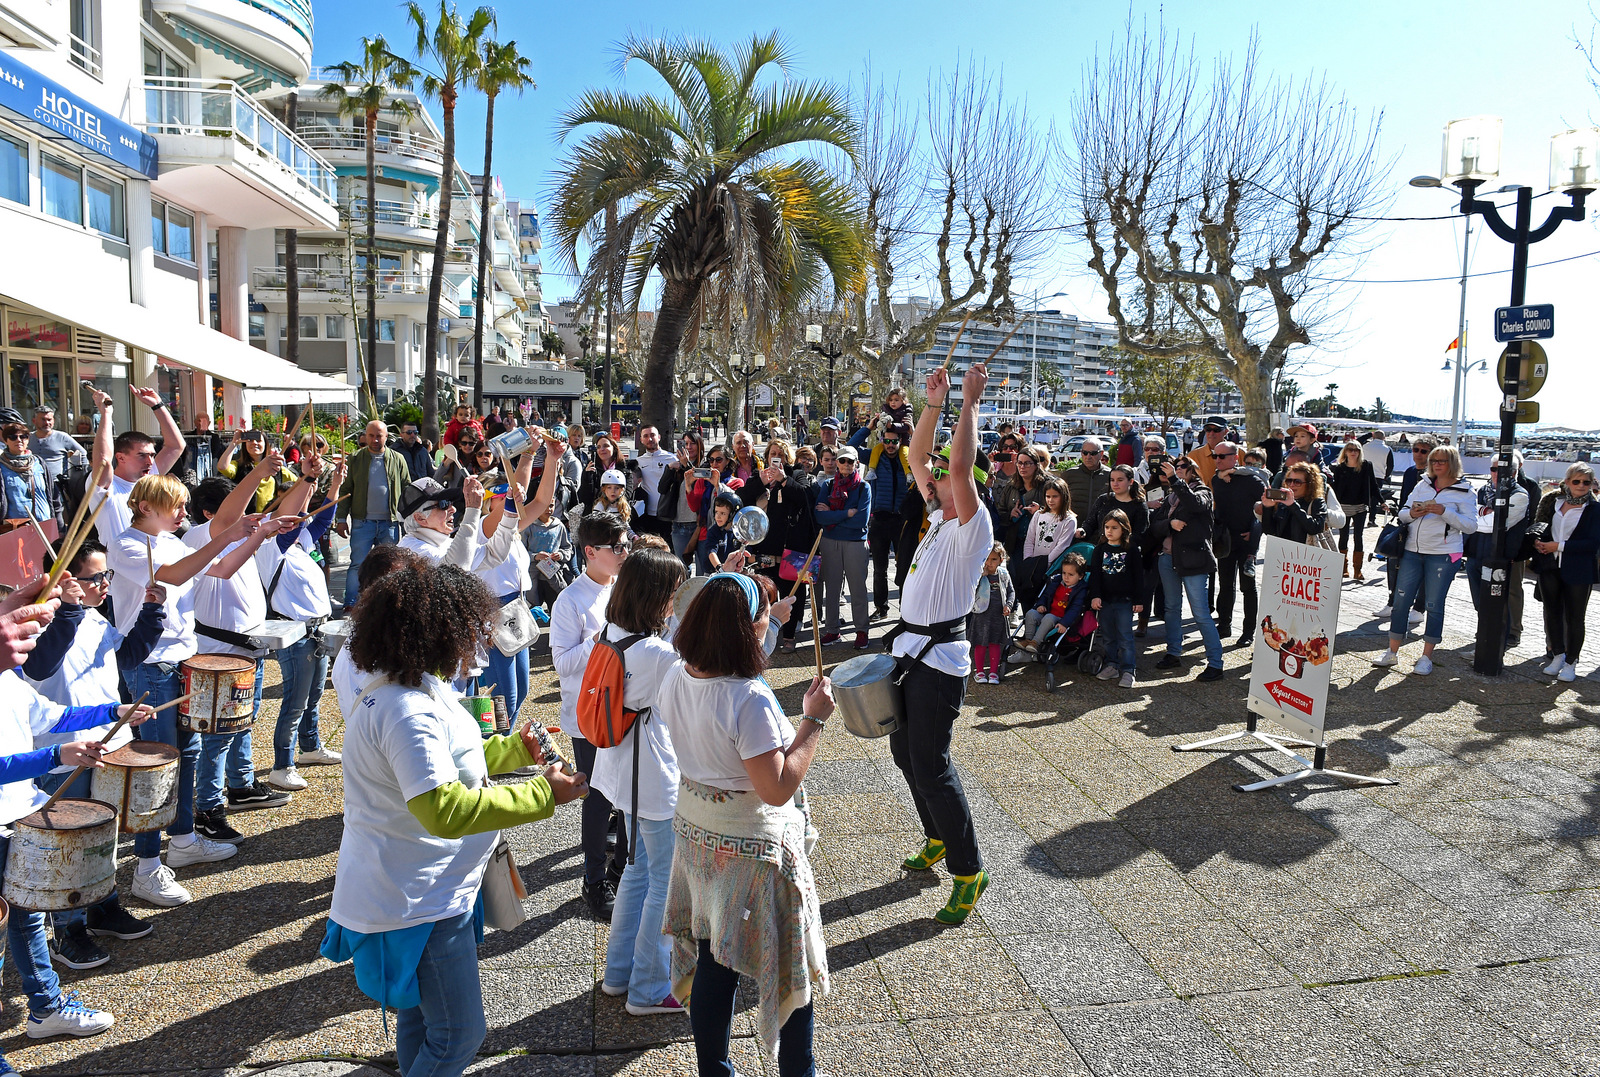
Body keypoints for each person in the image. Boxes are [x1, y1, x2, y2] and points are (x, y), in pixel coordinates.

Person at [321, 561, 587, 1077]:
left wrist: (515, 749)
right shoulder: (405, 710)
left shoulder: (418, 688)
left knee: (423, 1023)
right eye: (470, 634)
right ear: (437, 631)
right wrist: (542, 794)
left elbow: (455, 759)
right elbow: (442, 808)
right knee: (459, 1035)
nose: (478, 648)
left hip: (435, 887)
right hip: (418, 898)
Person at [658, 574, 834, 1075]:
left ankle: (713, 1068)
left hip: (697, 836)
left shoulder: (677, 675)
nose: (767, 624)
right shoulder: (747, 698)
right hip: (750, 852)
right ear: (745, 628)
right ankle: (798, 1070)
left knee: (716, 955)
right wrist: (813, 721)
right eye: (763, 616)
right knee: (786, 962)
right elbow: (776, 788)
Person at [104, 475, 259, 905]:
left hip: (183, 659)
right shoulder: (128, 543)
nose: (182, 513)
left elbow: (222, 568)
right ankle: (147, 867)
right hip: (151, 666)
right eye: (176, 505)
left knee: (186, 754)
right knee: (156, 765)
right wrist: (228, 533)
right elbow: (172, 577)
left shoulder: (172, 540)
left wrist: (256, 533)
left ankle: (185, 839)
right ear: (147, 504)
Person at [884, 361, 994, 926]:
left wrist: (970, 401)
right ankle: (935, 835)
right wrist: (933, 403)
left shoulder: (974, 525)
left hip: (941, 659)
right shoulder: (938, 517)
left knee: (932, 765)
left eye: (949, 482)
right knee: (905, 754)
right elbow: (917, 456)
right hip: (909, 651)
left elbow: (956, 463)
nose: (938, 482)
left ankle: (969, 869)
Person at [22, 542, 162, 969]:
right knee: (69, 844)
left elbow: (123, 658)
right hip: (63, 751)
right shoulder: (43, 618)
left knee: (103, 835)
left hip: (105, 742)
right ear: (66, 580)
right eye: (94, 578)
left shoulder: (96, 616)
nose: (104, 584)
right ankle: (67, 930)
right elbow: (40, 668)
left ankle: (102, 905)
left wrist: (152, 615)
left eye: (106, 577)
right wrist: (66, 610)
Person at [0, 673, 154, 1050]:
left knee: (26, 918)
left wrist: (112, 710)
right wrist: (54, 756)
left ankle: (47, 1008)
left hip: (18, 818)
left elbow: (54, 717)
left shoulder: (8, 678)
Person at [594, 547, 688, 1016]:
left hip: (620, 770)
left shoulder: (612, 633)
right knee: (663, 884)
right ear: (656, 596)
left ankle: (619, 975)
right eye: (673, 590)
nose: (676, 598)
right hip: (650, 774)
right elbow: (688, 697)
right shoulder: (656, 653)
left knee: (635, 868)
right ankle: (649, 988)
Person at [185, 467, 298, 841]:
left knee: (241, 724)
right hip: (218, 654)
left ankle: (241, 785)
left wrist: (308, 481)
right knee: (217, 737)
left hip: (247, 647)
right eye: (238, 508)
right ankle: (208, 809)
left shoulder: (242, 538)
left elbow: (289, 517)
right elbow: (231, 518)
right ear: (209, 515)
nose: (248, 516)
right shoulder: (199, 537)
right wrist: (261, 471)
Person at [550, 513, 633, 917]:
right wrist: (603, 638)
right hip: (588, 716)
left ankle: (621, 866)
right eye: (616, 547)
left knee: (629, 793)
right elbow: (562, 663)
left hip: (626, 708)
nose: (623, 554)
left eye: (625, 546)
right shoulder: (571, 600)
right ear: (590, 552)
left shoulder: (622, 587)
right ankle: (593, 879)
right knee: (598, 797)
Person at [258, 455, 346, 792]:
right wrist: (307, 481)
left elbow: (322, 523)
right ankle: (282, 765)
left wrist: (335, 485)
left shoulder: (298, 543)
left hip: (318, 629)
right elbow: (288, 522)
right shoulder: (271, 547)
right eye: (295, 512)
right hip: (295, 632)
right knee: (295, 699)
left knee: (313, 696)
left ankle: (310, 748)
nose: (300, 517)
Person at [1372, 445, 1478, 676]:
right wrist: (1412, 514)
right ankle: (1391, 652)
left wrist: (1443, 511)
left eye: (1442, 461)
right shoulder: (1423, 484)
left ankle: (1426, 656)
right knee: (1400, 600)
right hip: (1412, 550)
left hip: (1444, 553)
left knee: (1433, 604)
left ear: (1453, 463)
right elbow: (1403, 513)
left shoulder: (1465, 491)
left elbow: (1471, 525)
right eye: (1434, 460)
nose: (1437, 464)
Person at [1149, 455, 1224, 681]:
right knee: (1171, 608)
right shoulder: (1171, 496)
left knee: (1200, 613)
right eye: (1174, 467)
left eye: (1182, 467)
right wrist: (1169, 524)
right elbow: (1155, 526)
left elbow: (1195, 504)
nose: (1177, 470)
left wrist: (1174, 478)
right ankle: (1173, 652)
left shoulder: (1202, 492)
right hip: (1168, 558)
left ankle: (1216, 663)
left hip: (1193, 560)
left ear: (1192, 470)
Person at [1530, 462, 1600, 682]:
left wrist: (1557, 546)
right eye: (1576, 481)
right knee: (1552, 612)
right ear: (1567, 482)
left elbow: (1593, 543)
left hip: (1578, 569)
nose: (1581, 485)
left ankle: (1571, 661)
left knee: (1575, 617)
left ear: (1591, 485)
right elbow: (1541, 526)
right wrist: (1539, 543)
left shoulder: (1595, 509)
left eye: (1586, 482)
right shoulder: (1554, 502)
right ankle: (1558, 655)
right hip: (1550, 565)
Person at [89, 386, 185, 544]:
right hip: (122, 565)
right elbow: (103, 461)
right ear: (120, 457)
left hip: (155, 562)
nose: (149, 461)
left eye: (152, 455)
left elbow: (176, 446)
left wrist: (157, 405)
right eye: (142, 455)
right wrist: (106, 413)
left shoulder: (149, 478)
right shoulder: (107, 487)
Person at [334, 420, 411, 610]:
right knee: (357, 564)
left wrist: (408, 520)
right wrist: (341, 519)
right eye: (371, 435)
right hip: (362, 522)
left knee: (389, 566)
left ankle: (387, 604)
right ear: (365, 436)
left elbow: (408, 488)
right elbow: (346, 490)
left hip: (390, 523)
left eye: (379, 436)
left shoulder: (397, 459)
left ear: (386, 437)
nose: (375, 439)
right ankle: (351, 602)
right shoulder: (355, 459)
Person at [754, 443, 818, 653]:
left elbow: (805, 497)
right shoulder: (761, 475)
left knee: (792, 592)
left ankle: (789, 635)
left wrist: (783, 479)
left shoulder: (796, 474)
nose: (776, 457)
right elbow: (745, 499)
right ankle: (762, 631)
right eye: (773, 454)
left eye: (781, 454)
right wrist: (761, 483)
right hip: (765, 545)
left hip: (791, 548)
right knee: (764, 593)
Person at [1464, 453, 1533, 647]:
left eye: (1500, 470)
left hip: (1499, 555)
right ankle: (1485, 635)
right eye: (1493, 469)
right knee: (1479, 600)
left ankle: (1499, 642)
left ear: (1512, 472)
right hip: (1476, 551)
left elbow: (1496, 524)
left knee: (1498, 601)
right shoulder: (1482, 491)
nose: (1495, 473)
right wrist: (1483, 514)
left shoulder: (1519, 494)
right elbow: (1470, 519)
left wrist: (1480, 514)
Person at [815, 443, 872, 650]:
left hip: (855, 543)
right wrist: (846, 514)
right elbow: (819, 516)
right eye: (842, 460)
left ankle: (862, 631)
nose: (846, 465)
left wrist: (832, 514)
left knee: (858, 588)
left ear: (857, 463)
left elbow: (861, 520)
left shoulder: (864, 487)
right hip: (830, 542)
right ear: (837, 463)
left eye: (850, 461)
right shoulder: (828, 486)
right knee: (831, 588)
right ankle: (832, 630)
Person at [1210, 443, 1266, 646]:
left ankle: (1248, 631)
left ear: (1235, 457)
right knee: (1225, 585)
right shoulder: (1217, 479)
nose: (1218, 460)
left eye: (1222, 456)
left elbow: (1265, 509)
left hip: (1246, 541)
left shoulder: (1252, 480)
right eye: (1215, 456)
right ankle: (1224, 625)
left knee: (1248, 587)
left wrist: (1254, 532)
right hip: (1225, 539)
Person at [1378, 437, 1436, 626]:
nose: (1418, 454)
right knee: (1393, 560)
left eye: (1423, 451)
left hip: (1428, 528)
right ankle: (1392, 601)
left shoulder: (1435, 475)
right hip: (1407, 523)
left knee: (1423, 568)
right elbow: (1405, 499)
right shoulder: (1410, 472)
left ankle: (1419, 607)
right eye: (1415, 449)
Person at [1087, 509, 1144, 688]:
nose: (1109, 531)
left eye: (1114, 527)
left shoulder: (1131, 550)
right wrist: (1095, 596)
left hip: (1125, 601)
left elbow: (1138, 577)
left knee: (1125, 636)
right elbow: (1095, 575)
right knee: (1108, 636)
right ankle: (1112, 665)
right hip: (1105, 601)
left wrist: (1138, 600)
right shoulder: (1099, 550)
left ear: (1124, 529)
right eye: (1106, 527)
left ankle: (1128, 670)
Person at [864, 425, 910, 620]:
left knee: (905, 567)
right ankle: (881, 607)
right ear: (882, 441)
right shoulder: (875, 457)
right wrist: (868, 428)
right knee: (879, 569)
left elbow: (925, 448)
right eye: (887, 441)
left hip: (901, 519)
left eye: (895, 442)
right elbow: (850, 445)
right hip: (879, 518)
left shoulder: (907, 458)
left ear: (900, 442)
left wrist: (912, 430)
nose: (891, 445)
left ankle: (905, 609)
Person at [1018, 476, 1076, 606]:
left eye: (1055, 496)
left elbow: (1062, 546)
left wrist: (1046, 564)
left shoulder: (1069, 520)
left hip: (1051, 568)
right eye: (1048, 496)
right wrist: (1028, 560)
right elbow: (1030, 539)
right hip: (1032, 564)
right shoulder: (1039, 514)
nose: (1050, 500)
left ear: (1063, 496)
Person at [1330, 441, 1381, 580]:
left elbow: (1373, 485)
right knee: (1343, 536)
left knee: (1358, 536)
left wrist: (1382, 502)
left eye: (1356, 450)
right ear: (1345, 452)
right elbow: (1334, 488)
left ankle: (1357, 569)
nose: (1353, 452)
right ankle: (1343, 568)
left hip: (1360, 507)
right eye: (1350, 449)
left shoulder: (1366, 466)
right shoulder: (1339, 468)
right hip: (1343, 506)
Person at [1018, 553, 1088, 652]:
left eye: (1071, 574)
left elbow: (1075, 609)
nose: (1066, 577)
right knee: (1031, 613)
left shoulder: (1080, 590)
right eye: (1064, 573)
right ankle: (1028, 639)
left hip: (1060, 618)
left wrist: (1065, 623)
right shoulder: (1055, 582)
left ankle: (1036, 642)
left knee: (1049, 618)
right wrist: (1041, 604)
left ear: (1080, 576)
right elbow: (1045, 595)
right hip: (1047, 612)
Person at [217, 430, 298, 513]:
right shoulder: (238, 466)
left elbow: (299, 484)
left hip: (268, 519)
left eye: (258, 440)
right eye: (250, 440)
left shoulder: (277, 468)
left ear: (265, 444)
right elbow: (222, 467)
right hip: (244, 519)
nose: (254, 443)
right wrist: (234, 443)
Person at [967, 542, 1013, 684]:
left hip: (998, 615)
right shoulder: (978, 574)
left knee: (995, 643)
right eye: (987, 559)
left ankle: (993, 672)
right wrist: (981, 576)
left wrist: (1009, 605)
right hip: (981, 615)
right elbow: (970, 590)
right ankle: (979, 671)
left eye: (994, 559)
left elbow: (1011, 591)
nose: (989, 563)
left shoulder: (1004, 574)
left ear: (1001, 559)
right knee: (980, 643)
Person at [27, 405, 84, 521]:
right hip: (32, 483)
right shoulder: (28, 438)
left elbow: (83, 453)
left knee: (57, 515)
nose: (47, 423)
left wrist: (77, 475)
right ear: (34, 420)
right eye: (43, 419)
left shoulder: (62, 437)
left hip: (55, 484)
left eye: (49, 419)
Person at [1259, 461, 1330, 545]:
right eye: (1289, 481)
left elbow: (1316, 528)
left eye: (1297, 482)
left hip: (1306, 553)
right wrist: (1268, 508)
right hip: (1283, 551)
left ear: (1310, 484)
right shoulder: (1283, 503)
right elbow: (1269, 531)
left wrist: (1293, 505)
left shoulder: (1317, 502)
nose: (1292, 485)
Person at [631, 424, 677, 540]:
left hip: (667, 515)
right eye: (645, 436)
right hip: (646, 515)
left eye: (652, 435)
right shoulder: (638, 461)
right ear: (641, 440)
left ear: (659, 437)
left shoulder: (672, 459)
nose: (650, 439)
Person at [2, 419, 52, 524]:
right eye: (13, 437)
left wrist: (59, 523)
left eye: (23, 437)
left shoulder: (38, 462)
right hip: (16, 526)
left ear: (28, 440)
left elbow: (53, 495)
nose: (19, 440)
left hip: (43, 522)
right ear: (6, 441)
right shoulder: (2, 466)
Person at [1004, 445, 1048, 563]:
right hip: (1015, 542)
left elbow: (1060, 511)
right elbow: (1000, 511)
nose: (1022, 467)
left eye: (1027, 463)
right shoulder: (1011, 486)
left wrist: (1041, 512)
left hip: (1040, 543)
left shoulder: (1048, 485)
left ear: (1036, 465)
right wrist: (1010, 514)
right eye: (1019, 463)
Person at [1061, 439, 1110, 526]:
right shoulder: (1069, 475)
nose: (1088, 456)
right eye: (1085, 453)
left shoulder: (1110, 476)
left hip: (1101, 529)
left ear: (1101, 454)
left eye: (1093, 453)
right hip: (1073, 527)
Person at [699, 491, 739, 573]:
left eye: (723, 513)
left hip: (733, 572)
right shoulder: (713, 531)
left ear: (732, 515)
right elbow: (711, 552)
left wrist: (757, 559)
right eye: (716, 512)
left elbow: (745, 552)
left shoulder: (739, 533)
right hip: (713, 572)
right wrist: (719, 568)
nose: (718, 516)